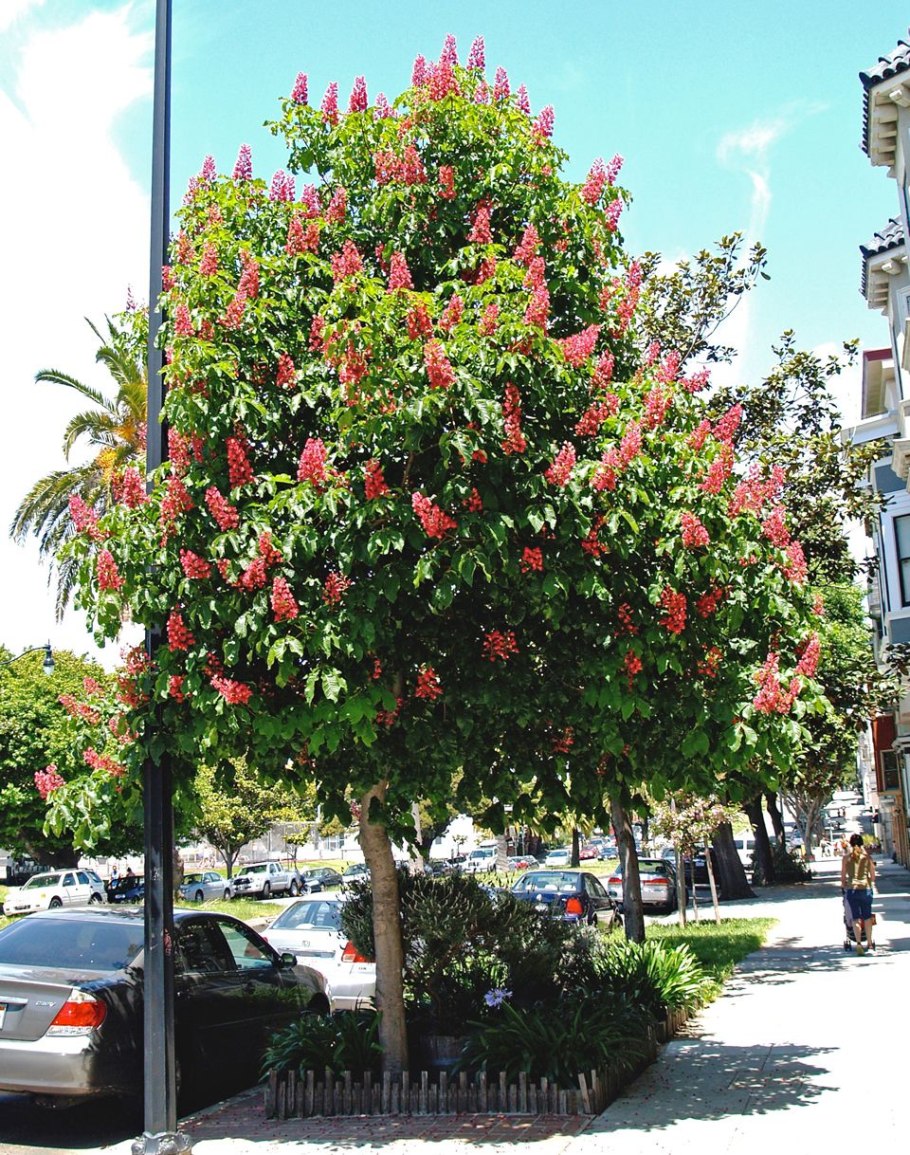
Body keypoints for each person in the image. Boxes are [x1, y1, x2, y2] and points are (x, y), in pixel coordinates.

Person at [841, 833, 876, 954]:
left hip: (852, 890)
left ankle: (859, 944)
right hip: (865, 889)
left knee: (855, 918)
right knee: (867, 917)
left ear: (850, 843)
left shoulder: (846, 858)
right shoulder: (867, 857)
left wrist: (844, 885)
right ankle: (870, 944)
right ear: (862, 843)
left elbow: (843, 877)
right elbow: (873, 876)